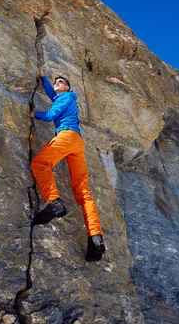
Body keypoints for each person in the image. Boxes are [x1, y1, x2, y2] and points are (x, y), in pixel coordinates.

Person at [30, 67, 106, 262]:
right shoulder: (63, 97)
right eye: (57, 83)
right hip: (78, 144)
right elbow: (50, 92)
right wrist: (44, 78)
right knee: (83, 190)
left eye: (61, 82)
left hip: (67, 137)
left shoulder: (65, 98)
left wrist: (34, 114)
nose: (58, 84)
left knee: (40, 164)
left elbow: (49, 116)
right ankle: (96, 238)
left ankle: (54, 202)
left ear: (68, 87)